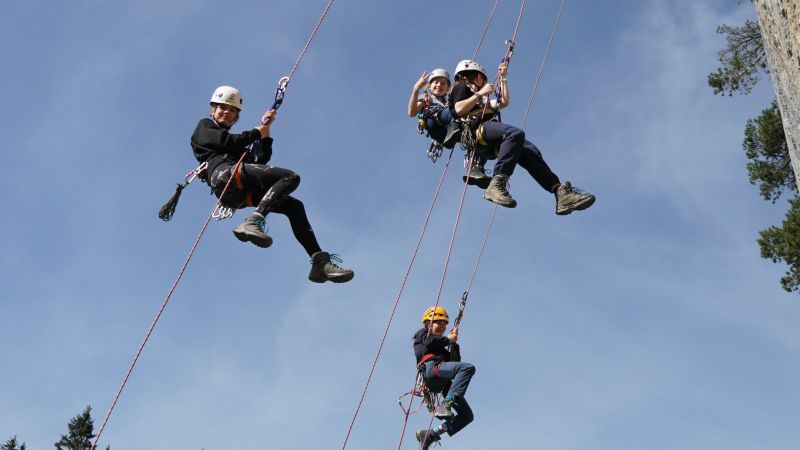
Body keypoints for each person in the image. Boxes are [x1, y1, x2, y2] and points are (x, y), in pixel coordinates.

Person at [190, 86, 354, 283]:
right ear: (213, 109)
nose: (227, 112)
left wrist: (265, 131)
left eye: (232, 110)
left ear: (236, 117)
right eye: (222, 108)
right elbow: (227, 142)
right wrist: (255, 132)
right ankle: (254, 220)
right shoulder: (205, 127)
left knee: (295, 206)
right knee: (290, 177)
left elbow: (260, 161)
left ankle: (318, 261)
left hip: (238, 190)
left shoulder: (236, 144)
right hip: (225, 175)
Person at [449, 59, 596, 213]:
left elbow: (503, 102)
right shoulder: (461, 88)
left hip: (489, 136)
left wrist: (503, 78)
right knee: (514, 134)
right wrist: (481, 93)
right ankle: (497, 183)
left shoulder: (481, 99)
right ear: (475, 76)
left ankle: (559, 192)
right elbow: (458, 110)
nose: (483, 81)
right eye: (482, 78)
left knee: (530, 151)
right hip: (475, 130)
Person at [409, 69, 490, 188]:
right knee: (454, 113)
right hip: (435, 125)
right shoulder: (426, 98)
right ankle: (454, 128)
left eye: (443, 83)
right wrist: (416, 90)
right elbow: (411, 113)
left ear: (448, 88)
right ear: (429, 86)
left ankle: (477, 168)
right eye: (435, 83)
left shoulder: (450, 99)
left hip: (450, 131)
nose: (439, 85)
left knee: (478, 136)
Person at [413, 306, 475, 450]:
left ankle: (431, 433)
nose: (442, 328)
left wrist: (454, 345)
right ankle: (446, 404)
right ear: (428, 323)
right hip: (430, 369)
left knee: (467, 416)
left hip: (442, 381)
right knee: (468, 368)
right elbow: (429, 342)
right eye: (438, 324)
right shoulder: (422, 334)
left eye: (444, 326)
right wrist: (447, 340)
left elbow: (455, 363)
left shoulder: (441, 347)